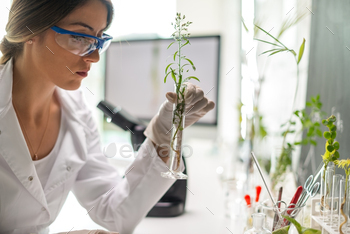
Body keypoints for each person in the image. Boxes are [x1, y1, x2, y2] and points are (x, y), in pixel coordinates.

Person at [0, 0, 215, 233]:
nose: (94, 57)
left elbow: (114, 212)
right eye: (79, 38)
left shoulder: (78, 112)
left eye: (98, 40)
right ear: (29, 31)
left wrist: (162, 135)